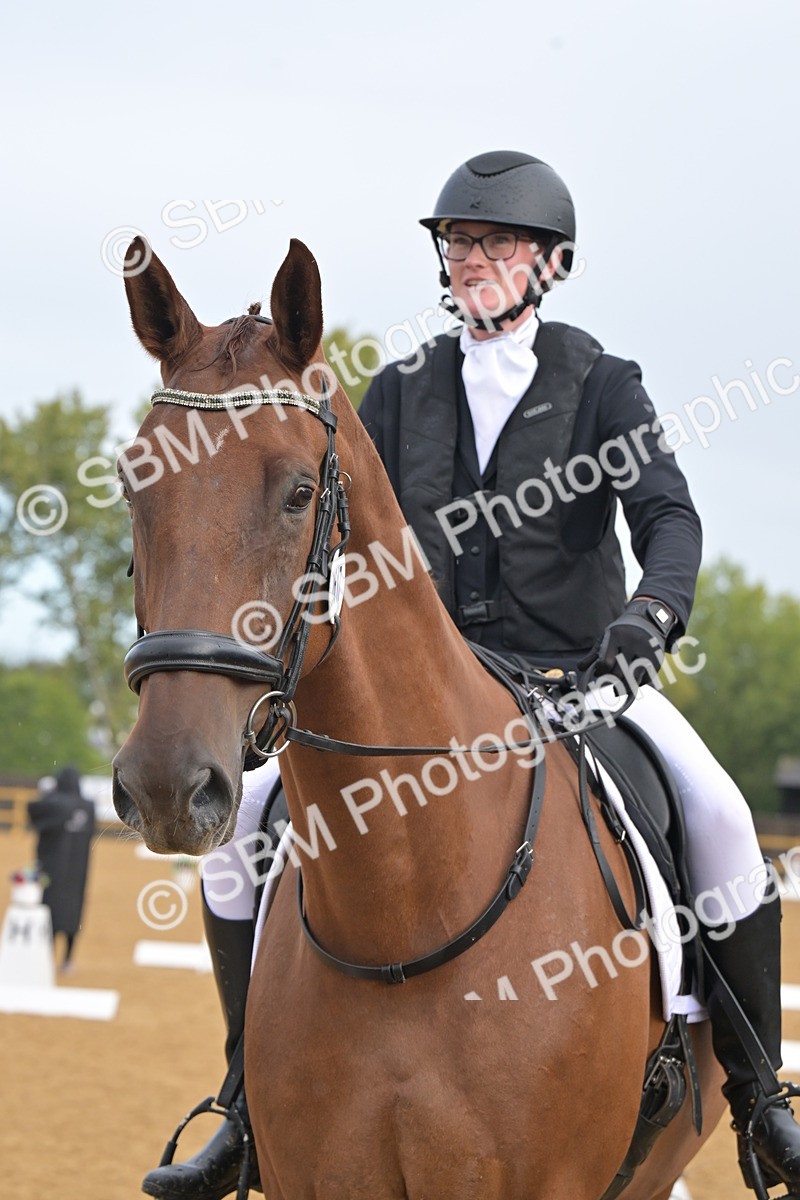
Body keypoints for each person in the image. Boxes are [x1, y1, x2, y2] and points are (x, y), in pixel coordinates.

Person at [142, 150, 800, 1200]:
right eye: (459, 244)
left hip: (582, 678)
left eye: (497, 245)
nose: (474, 261)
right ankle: (239, 1108)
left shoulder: (600, 382)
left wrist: (647, 614)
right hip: (431, 688)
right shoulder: (400, 391)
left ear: (547, 265)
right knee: (248, 832)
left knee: (716, 816)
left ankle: (763, 1101)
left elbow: (668, 520)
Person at [27, 765, 96, 971]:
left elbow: (33, 810)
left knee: (49, 910)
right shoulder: (88, 807)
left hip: (52, 868)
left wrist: (48, 793)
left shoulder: (55, 804)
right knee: (73, 911)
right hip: (78, 870)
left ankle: (46, 957)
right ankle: (68, 959)